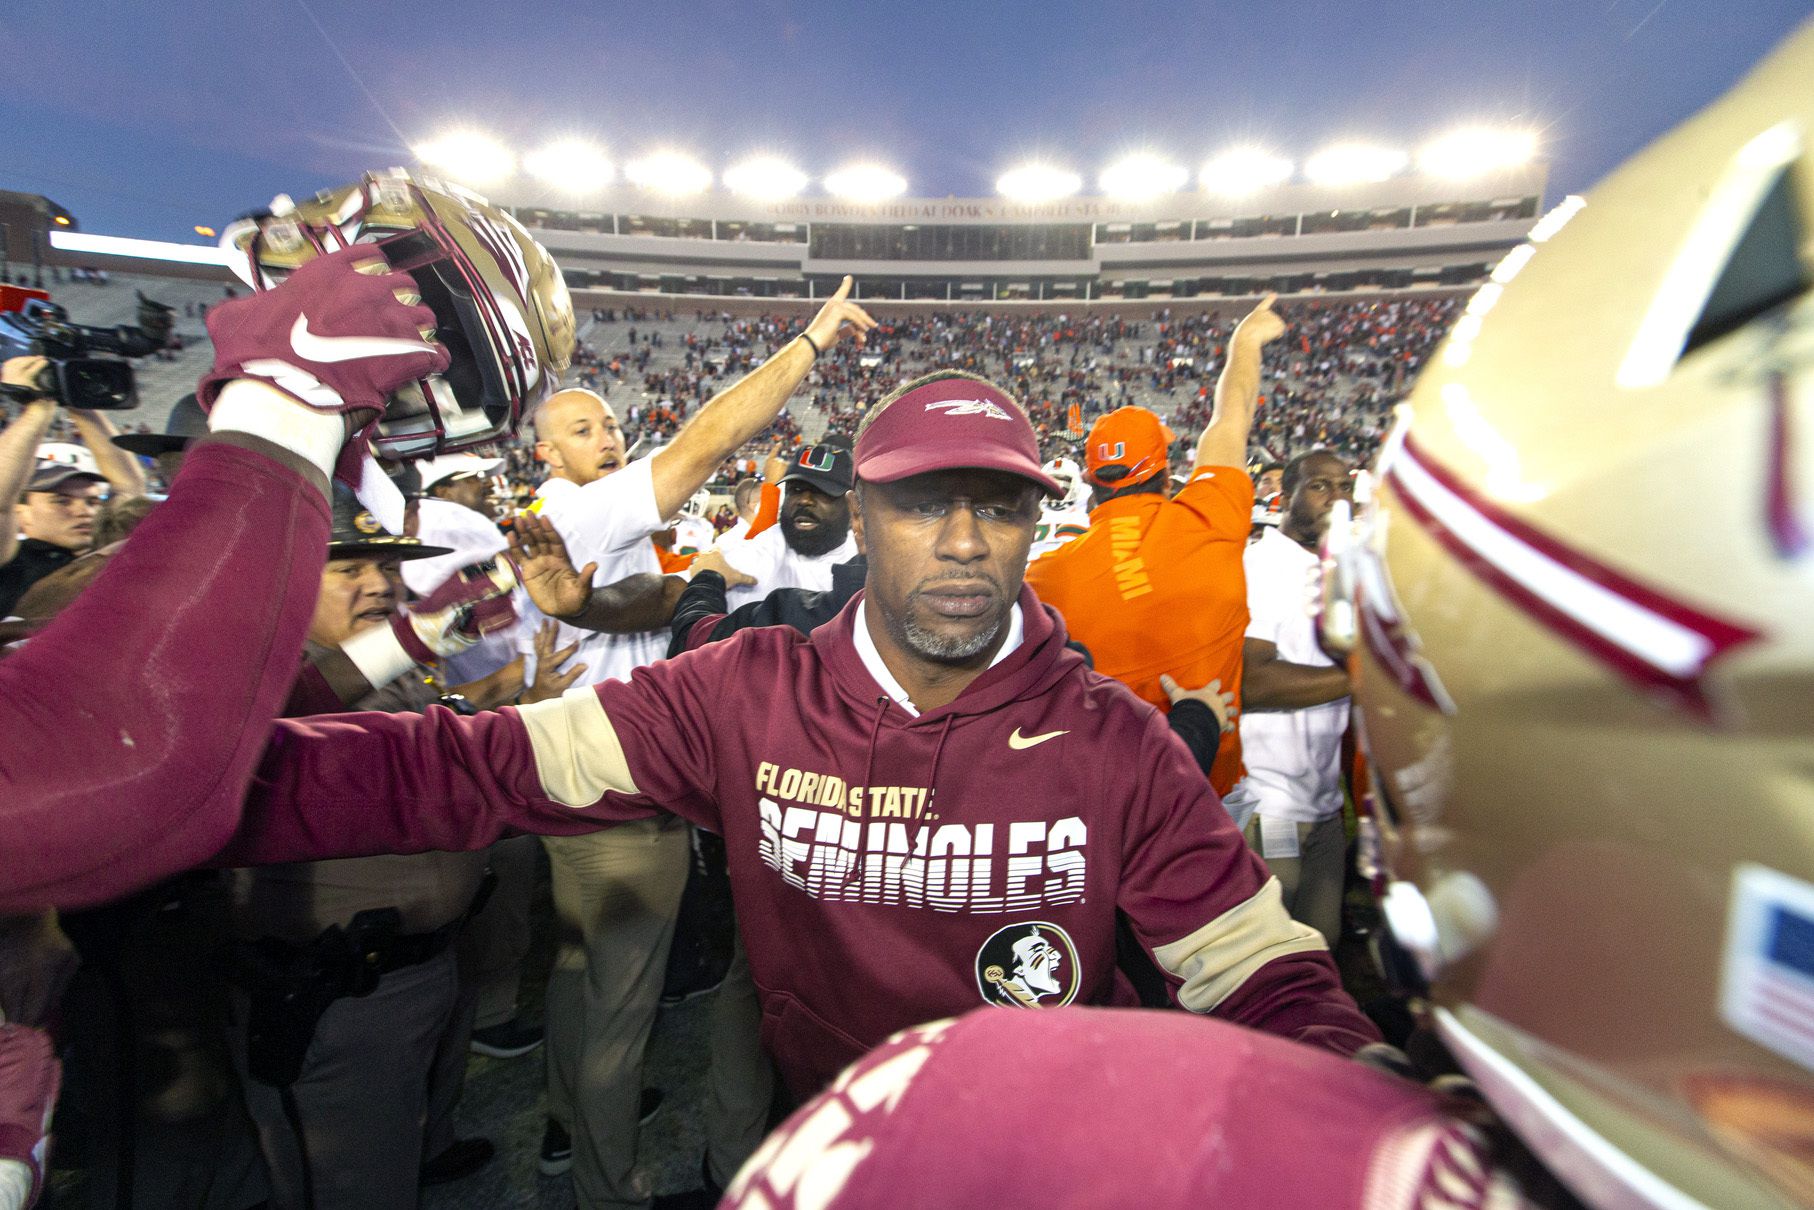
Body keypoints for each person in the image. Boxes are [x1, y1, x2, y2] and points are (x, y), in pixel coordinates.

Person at [218, 367, 1383, 1111]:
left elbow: (1255, 968)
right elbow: (468, 768)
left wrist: (1366, 1095)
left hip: (1052, 1159)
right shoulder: (745, 693)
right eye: (925, 502)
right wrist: (201, 785)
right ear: (862, 517)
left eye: (1000, 502)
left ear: (1039, 521)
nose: (966, 539)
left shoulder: (1115, 743)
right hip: (827, 1139)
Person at [517, 278, 874, 1209]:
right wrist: (809, 342)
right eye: (587, 428)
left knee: (580, 969)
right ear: (547, 450)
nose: (611, 437)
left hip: (574, 768)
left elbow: (655, 599)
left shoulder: (593, 523)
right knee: (622, 1007)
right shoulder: (582, 508)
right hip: (622, 782)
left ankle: (565, 1126)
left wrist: (599, 603)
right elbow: (702, 444)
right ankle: (605, 1183)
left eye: (607, 423)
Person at [1025, 296, 1285, 808]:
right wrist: (1245, 342)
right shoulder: (1210, 517)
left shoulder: (1045, 574)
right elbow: (1229, 418)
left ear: (1091, 484)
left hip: (1100, 798)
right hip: (1209, 786)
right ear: (1167, 475)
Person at [1239, 449, 1354, 944]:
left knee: (1320, 960)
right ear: (1283, 497)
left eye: (1344, 485)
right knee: (1262, 967)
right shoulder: (1263, 565)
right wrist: (1363, 677)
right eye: (1319, 485)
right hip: (1268, 805)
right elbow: (1252, 682)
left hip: (1324, 807)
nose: (1335, 497)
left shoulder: (1336, 569)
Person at [711, 441, 857, 610]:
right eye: (796, 489)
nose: (804, 500)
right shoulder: (764, 548)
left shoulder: (872, 565)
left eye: (822, 491)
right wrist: (706, 578)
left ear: (852, 505)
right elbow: (675, 590)